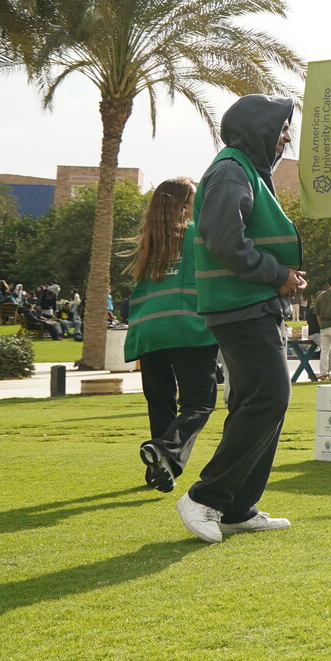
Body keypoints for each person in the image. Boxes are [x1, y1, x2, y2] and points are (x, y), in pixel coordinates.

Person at [177, 94, 306, 543]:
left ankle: (236, 507)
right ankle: (206, 497)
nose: (286, 136)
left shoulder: (243, 169)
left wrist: (280, 280)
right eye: (282, 127)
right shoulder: (233, 170)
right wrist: (278, 275)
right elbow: (223, 237)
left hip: (250, 304)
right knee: (269, 397)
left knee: (260, 401)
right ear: (258, 129)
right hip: (241, 304)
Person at [123, 177, 219, 493]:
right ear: (185, 204)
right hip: (186, 326)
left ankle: (159, 470)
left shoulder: (147, 244)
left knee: (160, 403)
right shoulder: (197, 235)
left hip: (148, 331)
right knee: (200, 402)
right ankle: (165, 450)